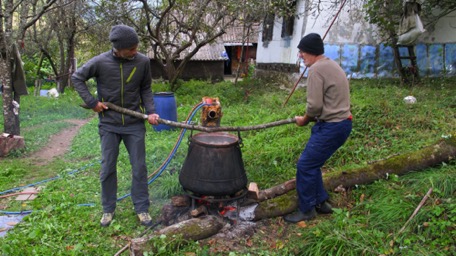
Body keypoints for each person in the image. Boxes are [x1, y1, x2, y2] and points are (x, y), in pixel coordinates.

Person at [71, 24, 159, 227]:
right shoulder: (100, 62)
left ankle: (142, 208)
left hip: (134, 124)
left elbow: (146, 88)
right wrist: (92, 102)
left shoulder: (143, 62)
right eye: (132, 49)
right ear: (118, 49)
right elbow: (77, 78)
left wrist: (151, 111)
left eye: (136, 48)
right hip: (109, 124)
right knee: (108, 167)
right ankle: (108, 209)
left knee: (139, 167)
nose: (136, 52)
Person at [283, 33, 352, 223]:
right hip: (342, 123)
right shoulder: (331, 64)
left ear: (310, 52)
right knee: (313, 164)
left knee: (305, 165)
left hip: (332, 126)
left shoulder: (316, 70)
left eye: (302, 52)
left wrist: (304, 120)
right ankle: (321, 202)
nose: (300, 55)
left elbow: (314, 107)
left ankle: (307, 210)